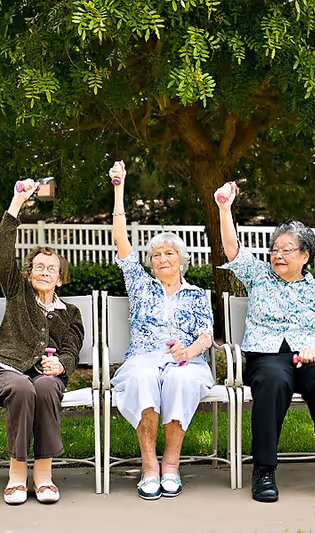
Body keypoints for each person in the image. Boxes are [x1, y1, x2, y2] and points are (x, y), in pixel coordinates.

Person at [215, 182, 315, 503]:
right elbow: (232, 249)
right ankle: (264, 470)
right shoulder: (259, 275)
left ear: (305, 255)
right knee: (274, 380)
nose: (277, 254)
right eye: (275, 248)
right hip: (267, 356)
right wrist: (224, 208)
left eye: (286, 249)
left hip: (310, 356)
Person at [108, 161, 215, 500]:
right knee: (142, 378)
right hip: (143, 357)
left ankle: (171, 464)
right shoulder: (140, 285)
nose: (161, 259)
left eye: (169, 253)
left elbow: (206, 335)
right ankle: (149, 466)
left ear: (181, 261)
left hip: (185, 360)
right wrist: (119, 189)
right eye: (156, 254)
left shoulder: (197, 294)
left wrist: (189, 352)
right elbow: (120, 239)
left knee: (181, 379)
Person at [0, 179, 84, 505]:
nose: (44, 272)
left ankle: (43, 474)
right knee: (25, 388)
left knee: (43, 387)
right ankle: (16, 474)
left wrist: (62, 364)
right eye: (38, 267)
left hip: (46, 374)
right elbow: (2, 252)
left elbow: (72, 348)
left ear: (60, 277)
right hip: (7, 369)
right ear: (28, 274)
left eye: (51, 269)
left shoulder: (70, 312)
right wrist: (16, 203)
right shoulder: (18, 291)